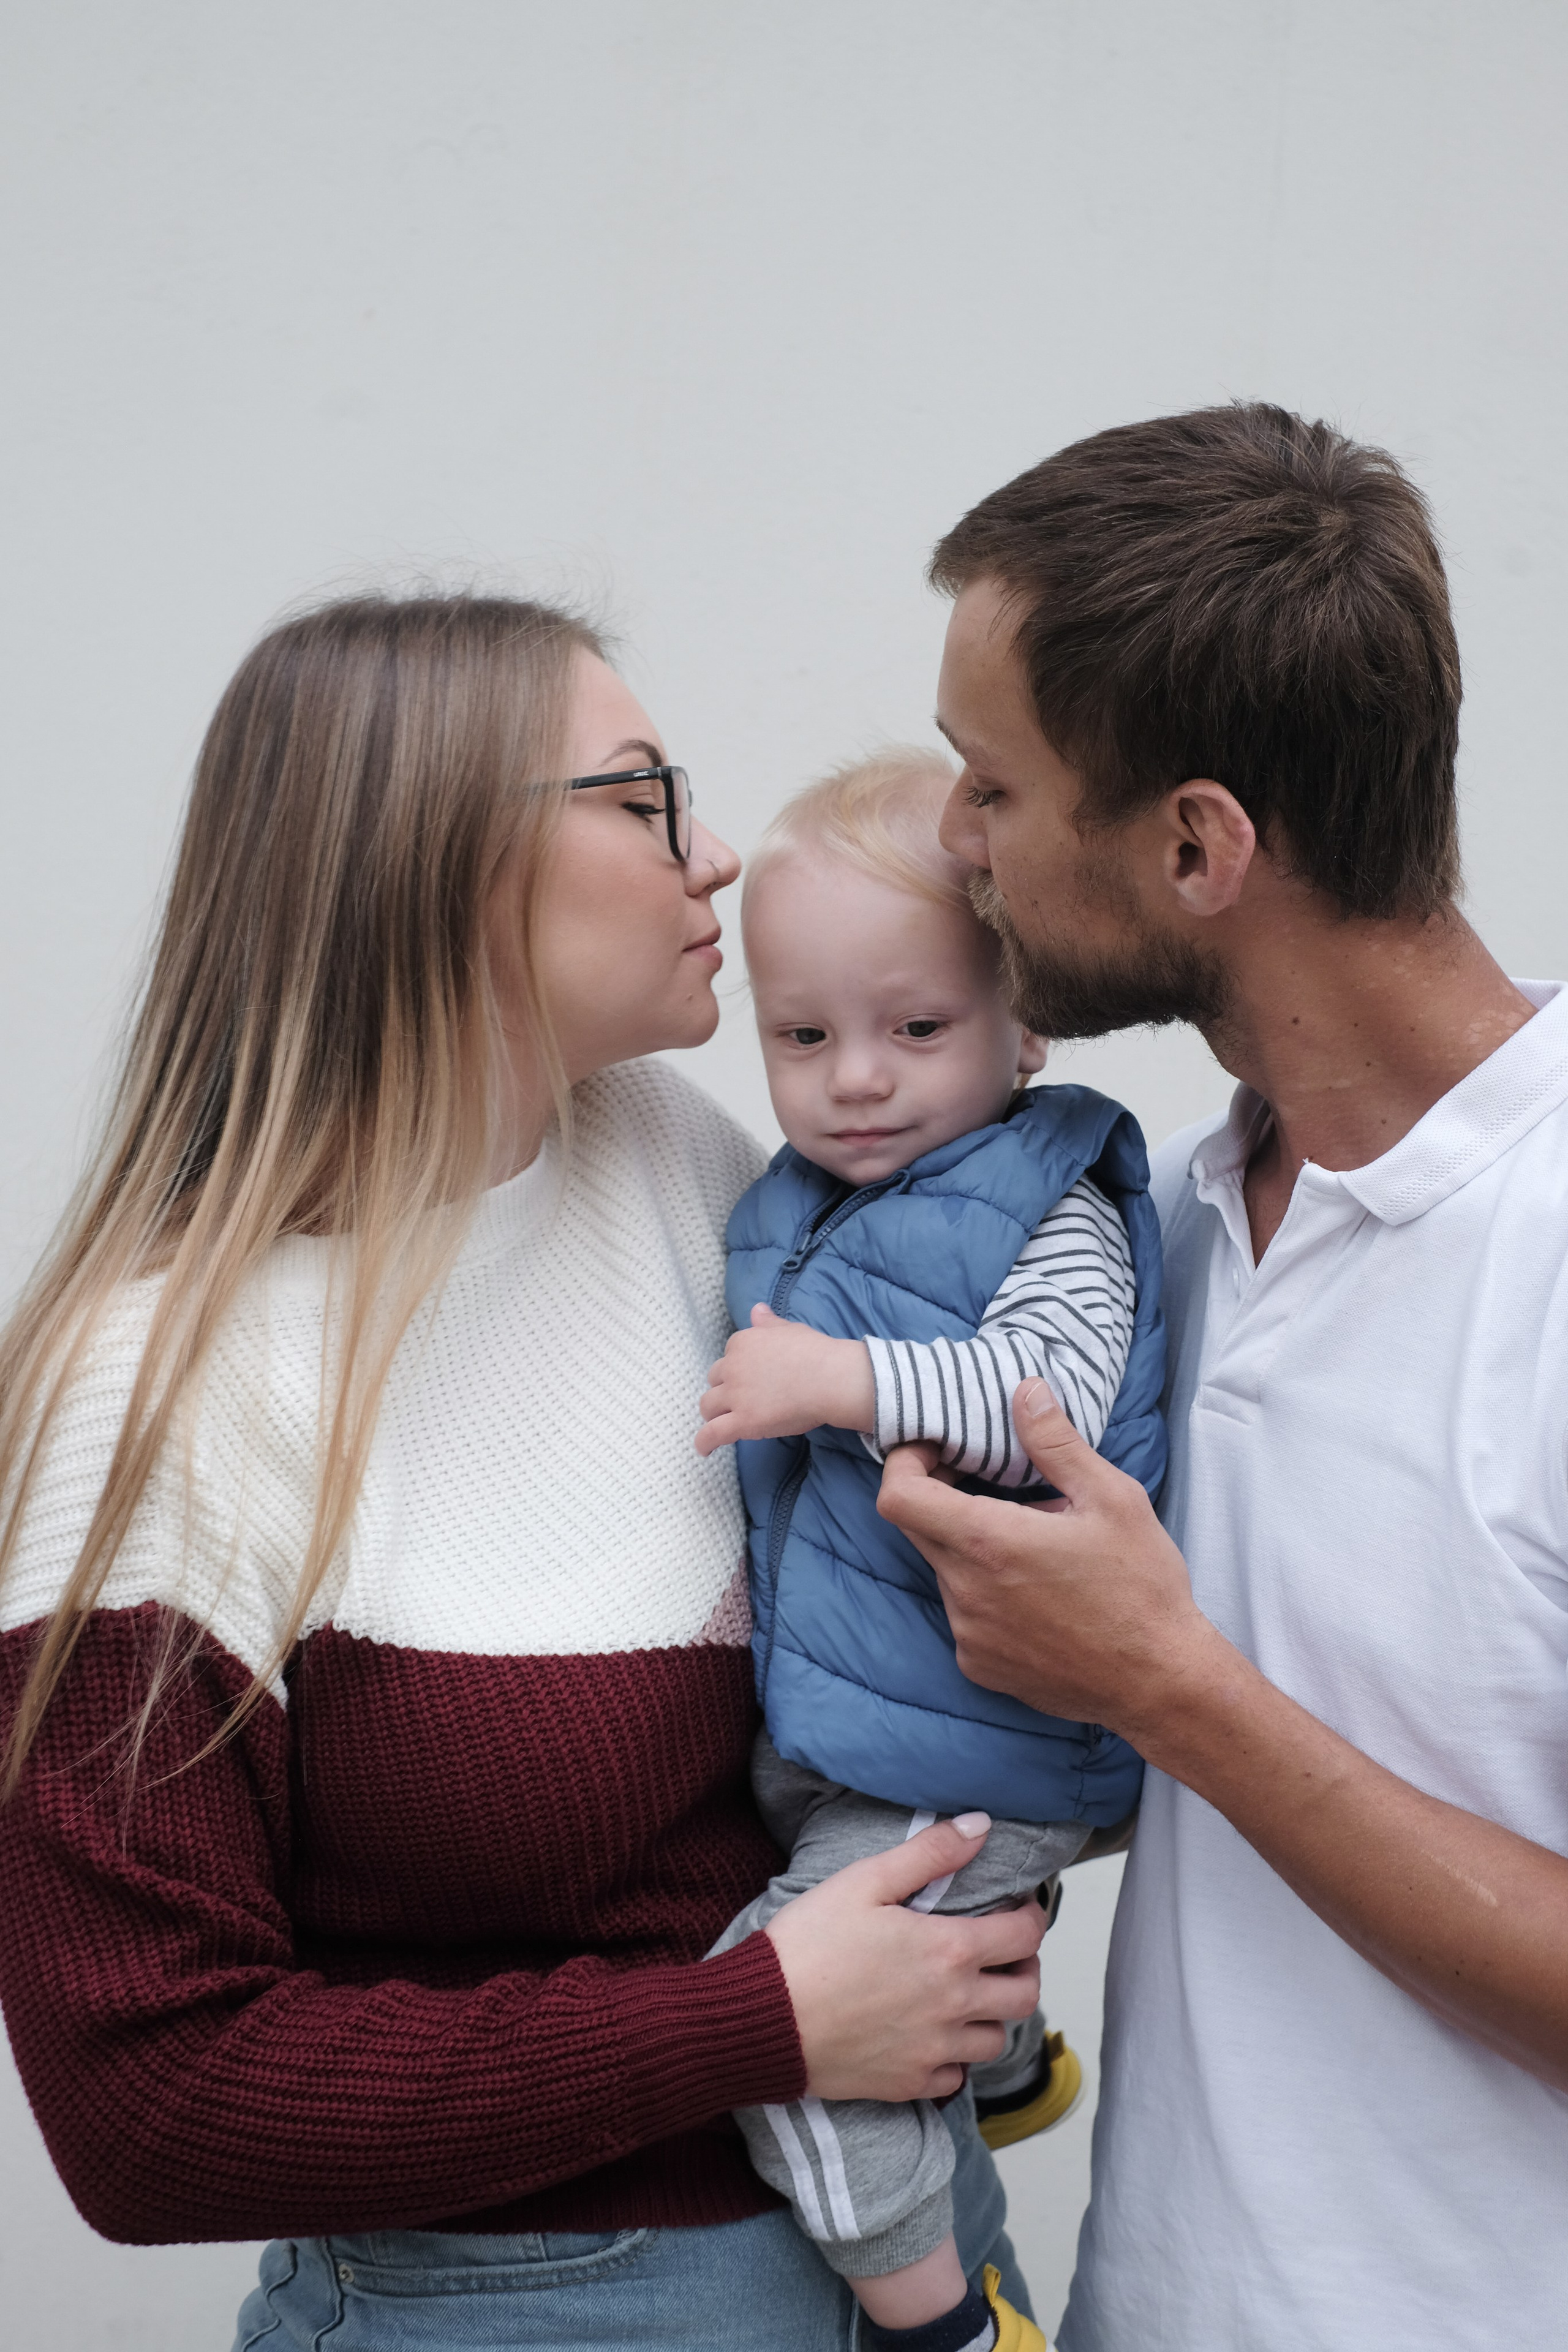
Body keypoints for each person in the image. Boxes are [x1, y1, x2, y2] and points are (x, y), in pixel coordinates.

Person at [0, 593, 1048, 2351]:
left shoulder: (679, 1171)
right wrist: (765, 2024)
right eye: (643, 798)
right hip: (525, 2312)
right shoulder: (153, 1387)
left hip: (917, 2241)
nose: (712, 858)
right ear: (441, 858)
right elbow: (153, 2108)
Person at [874, 403, 1568, 2351]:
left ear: (1197, 845)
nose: (956, 838)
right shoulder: (1158, 1229)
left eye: (990, 784)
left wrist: (1164, 1684)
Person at [695, 751, 1165, 2352]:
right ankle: (1012, 2058)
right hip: (870, 1730)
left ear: (1023, 1027)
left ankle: (940, 2324)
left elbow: (1042, 1406)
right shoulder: (790, 1204)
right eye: (805, 1037)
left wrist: (834, 1382)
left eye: (917, 1029)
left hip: (985, 1747)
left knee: (780, 2039)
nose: (859, 1079)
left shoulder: (1056, 1207)